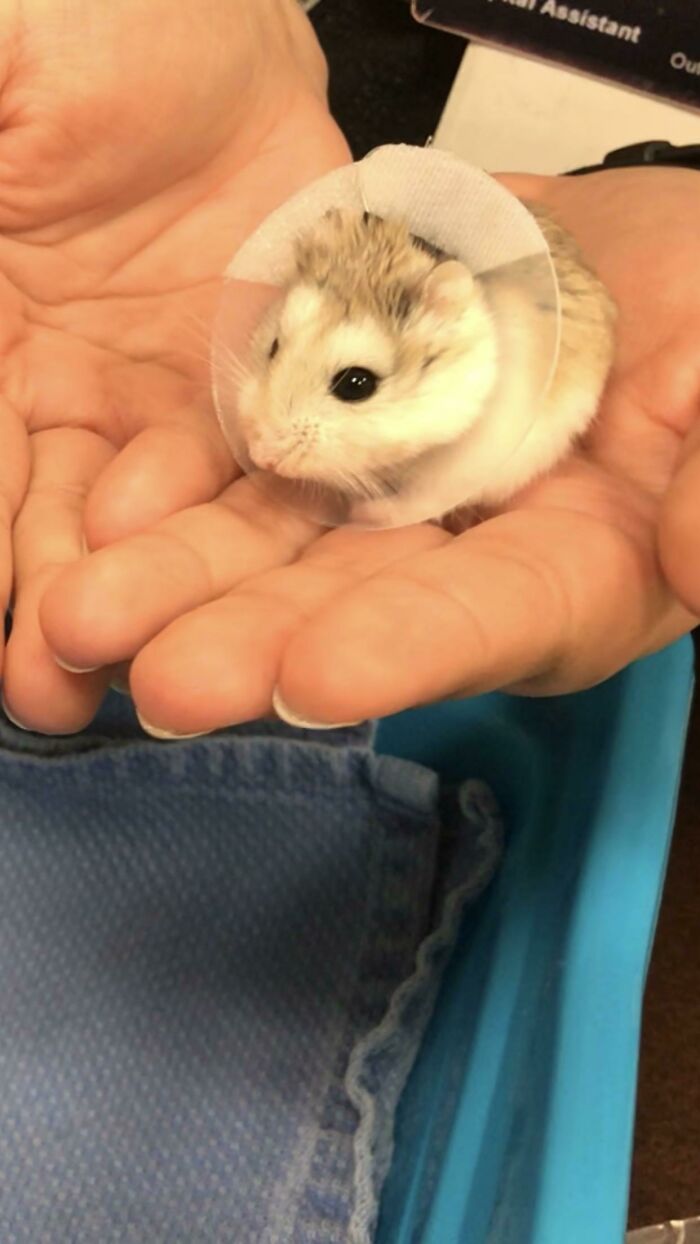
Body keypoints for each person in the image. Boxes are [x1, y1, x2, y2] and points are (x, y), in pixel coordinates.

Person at [0, 0, 697, 738]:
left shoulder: (469, 339)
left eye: (354, 384)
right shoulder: (318, 271)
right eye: (275, 348)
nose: (265, 441)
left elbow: (461, 414)